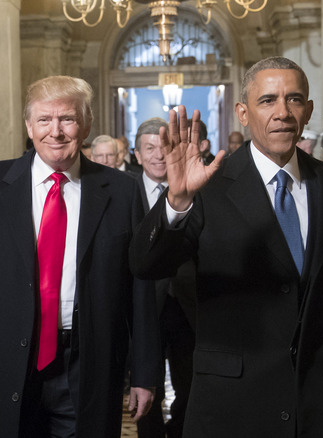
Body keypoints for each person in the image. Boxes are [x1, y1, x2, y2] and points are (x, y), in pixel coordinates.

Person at [130, 56, 323, 438]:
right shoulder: (208, 186)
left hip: (318, 403)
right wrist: (176, 202)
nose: (282, 112)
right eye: (268, 101)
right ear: (243, 113)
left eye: (294, 99)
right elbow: (146, 264)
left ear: (308, 110)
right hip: (232, 404)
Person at [0, 75, 161, 437]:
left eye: (67, 119)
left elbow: (139, 287)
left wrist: (146, 374)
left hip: (89, 362)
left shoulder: (121, 191)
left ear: (85, 125)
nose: (55, 131)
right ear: (29, 125)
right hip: (5, 360)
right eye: (44, 120)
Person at [132, 118, 196, 438]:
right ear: (137, 154)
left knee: (190, 381)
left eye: (163, 146)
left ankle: (180, 430)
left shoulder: (197, 185)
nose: (158, 155)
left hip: (187, 301)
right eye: (150, 148)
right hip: (143, 305)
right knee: (146, 382)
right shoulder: (124, 191)